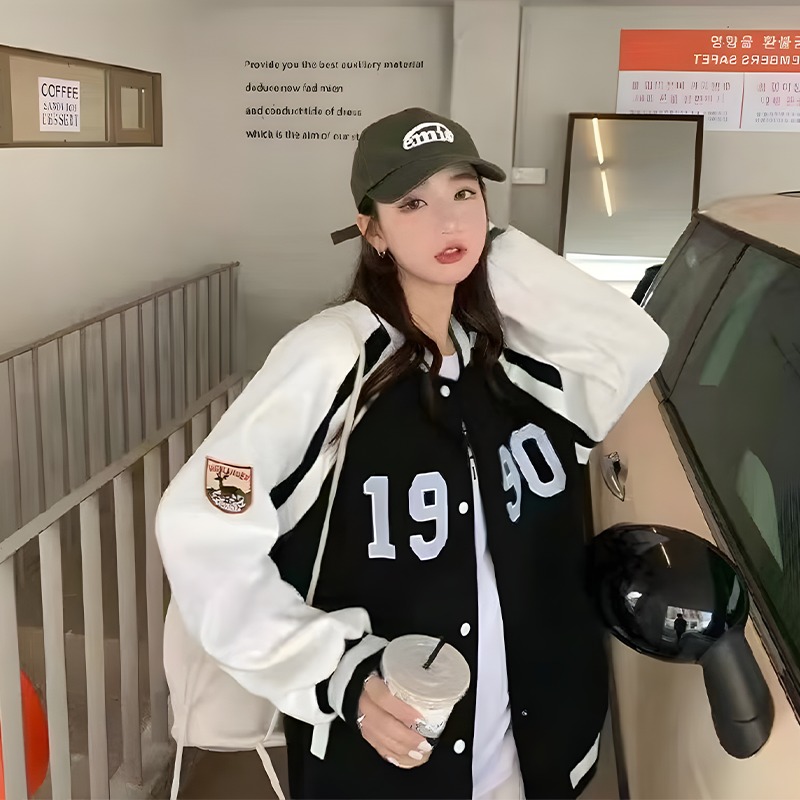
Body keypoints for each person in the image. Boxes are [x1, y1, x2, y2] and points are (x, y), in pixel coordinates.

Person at [156, 107, 668, 800]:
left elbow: (635, 347)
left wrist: (491, 250)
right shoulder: (334, 356)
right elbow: (201, 526)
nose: (448, 221)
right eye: (412, 204)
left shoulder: (509, 364)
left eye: (465, 193)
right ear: (371, 230)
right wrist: (329, 667)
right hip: (393, 756)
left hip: (528, 750)